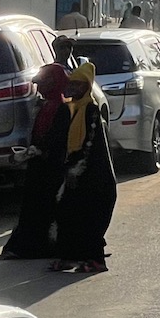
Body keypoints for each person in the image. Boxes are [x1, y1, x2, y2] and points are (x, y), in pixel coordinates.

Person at [51, 62, 117, 274]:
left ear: (87, 87)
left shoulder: (91, 111)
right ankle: (69, 257)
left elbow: (90, 144)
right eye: (72, 84)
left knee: (89, 216)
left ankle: (95, 259)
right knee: (66, 213)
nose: (73, 89)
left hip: (94, 177)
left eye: (78, 85)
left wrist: (78, 168)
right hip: (75, 174)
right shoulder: (72, 109)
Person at [0, 64, 71, 260]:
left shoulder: (62, 108)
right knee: (32, 205)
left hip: (51, 167)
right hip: (38, 166)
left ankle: (44, 246)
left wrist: (41, 151)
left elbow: (59, 141)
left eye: (43, 82)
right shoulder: (44, 106)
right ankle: (27, 246)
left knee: (47, 206)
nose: (38, 86)